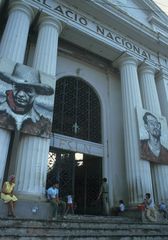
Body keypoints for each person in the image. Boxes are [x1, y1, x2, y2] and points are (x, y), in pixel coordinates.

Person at [0, 63, 54, 137]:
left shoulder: (43, 124)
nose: (21, 94)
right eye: (17, 87)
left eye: (28, 90)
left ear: (37, 93)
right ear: (12, 86)